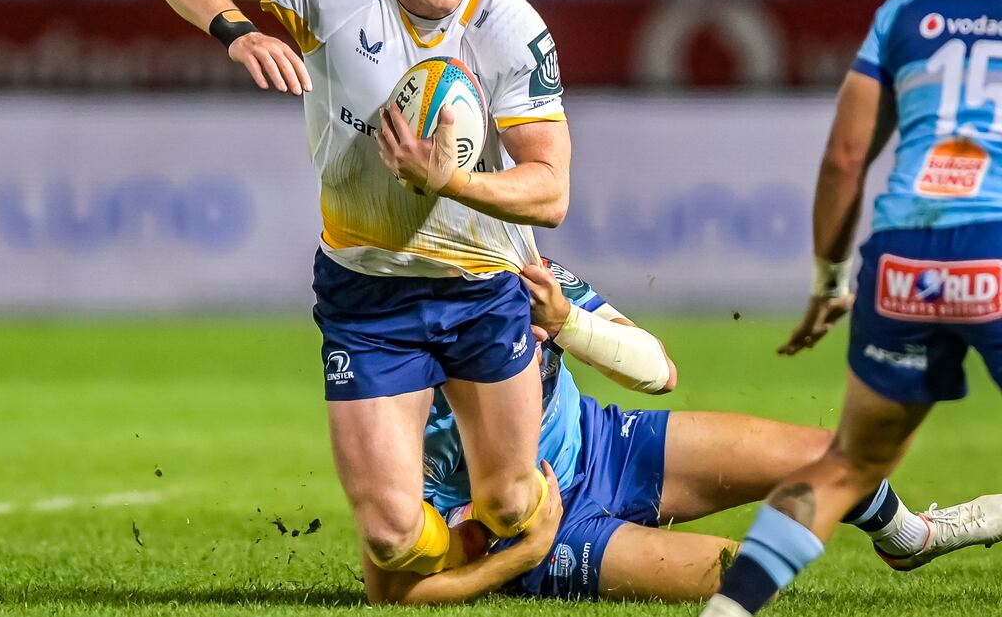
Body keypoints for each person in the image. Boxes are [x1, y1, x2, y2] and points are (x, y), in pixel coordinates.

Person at [144, 0, 571, 578]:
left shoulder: (506, 23)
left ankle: (523, 523)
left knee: (507, 502)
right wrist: (237, 30)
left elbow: (551, 191)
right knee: (391, 538)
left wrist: (450, 181)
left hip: (479, 286)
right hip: (366, 290)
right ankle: (468, 563)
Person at [701, 0, 1002, 617]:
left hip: (904, 251)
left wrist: (830, 279)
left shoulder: (911, 0)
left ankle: (728, 611)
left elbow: (844, 159)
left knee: (846, 465)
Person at [361, 258, 1000, 604]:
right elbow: (387, 587)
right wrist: (520, 559)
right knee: (739, 579)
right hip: (533, 529)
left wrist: (565, 323)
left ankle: (909, 539)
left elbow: (658, 370)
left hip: (607, 441)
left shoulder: (525, 272)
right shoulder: (385, 350)